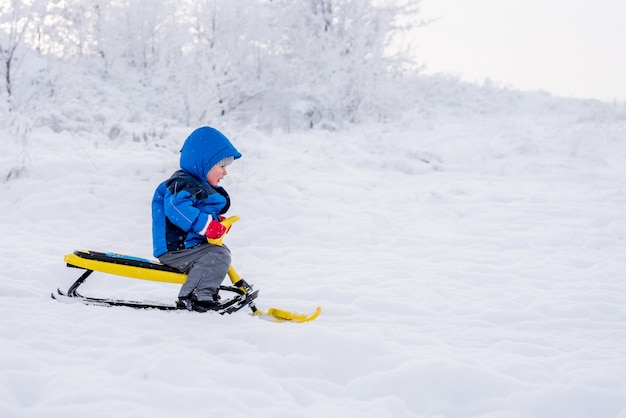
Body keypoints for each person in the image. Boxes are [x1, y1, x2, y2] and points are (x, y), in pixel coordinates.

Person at [151, 126, 242, 312]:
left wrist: (217, 223)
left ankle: (205, 290)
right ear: (204, 164)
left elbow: (197, 210)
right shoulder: (183, 184)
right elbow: (177, 209)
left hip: (188, 246)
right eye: (222, 166)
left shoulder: (197, 184)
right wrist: (208, 226)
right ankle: (194, 296)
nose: (225, 172)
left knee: (220, 252)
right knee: (217, 256)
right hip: (175, 248)